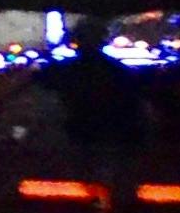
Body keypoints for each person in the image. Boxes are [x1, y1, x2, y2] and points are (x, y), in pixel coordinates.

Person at [41, 18, 148, 156]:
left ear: (76, 39)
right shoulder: (117, 70)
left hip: (79, 133)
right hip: (112, 135)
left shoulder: (64, 70)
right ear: (103, 39)